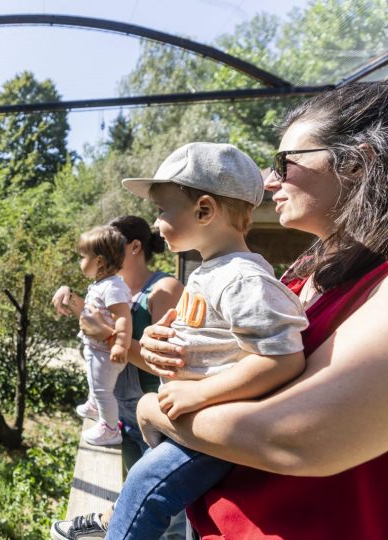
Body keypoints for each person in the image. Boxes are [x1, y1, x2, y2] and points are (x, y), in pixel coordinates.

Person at [131, 81, 388, 539]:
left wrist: (157, 409)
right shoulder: (301, 273)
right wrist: (170, 347)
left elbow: (300, 437)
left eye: (284, 163)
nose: (269, 182)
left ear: (357, 162)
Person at [97, 142, 309, 539]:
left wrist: (200, 394)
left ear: (205, 210)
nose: (156, 223)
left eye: (162, 210)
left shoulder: (243, 279)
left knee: (145, 488)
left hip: (215, 428)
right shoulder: (209, 272)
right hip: (195, 425)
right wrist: (167, 338)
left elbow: (283, 360)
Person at [50, 216, 184, 540]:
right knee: (131, 492)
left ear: (134, 247)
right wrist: (71, 298)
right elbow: (97, 325)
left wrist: (110, 336)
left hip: (156, 421)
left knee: (166, 519)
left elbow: (171, 368)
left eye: (110, 243)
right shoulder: (112, 288)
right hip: (123, 418)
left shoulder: (164, 289)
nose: (102, 251)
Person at [60, 225, 133, 446]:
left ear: (99, 262)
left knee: (103, 390)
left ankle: (110, 429)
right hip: (97, 348)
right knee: (94, 381)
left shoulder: (112, 287)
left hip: (106, 351)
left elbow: (123, 316)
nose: (79, 262)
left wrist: (120, 343)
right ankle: (93, 406)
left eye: (83, 257)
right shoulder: (102, 285)